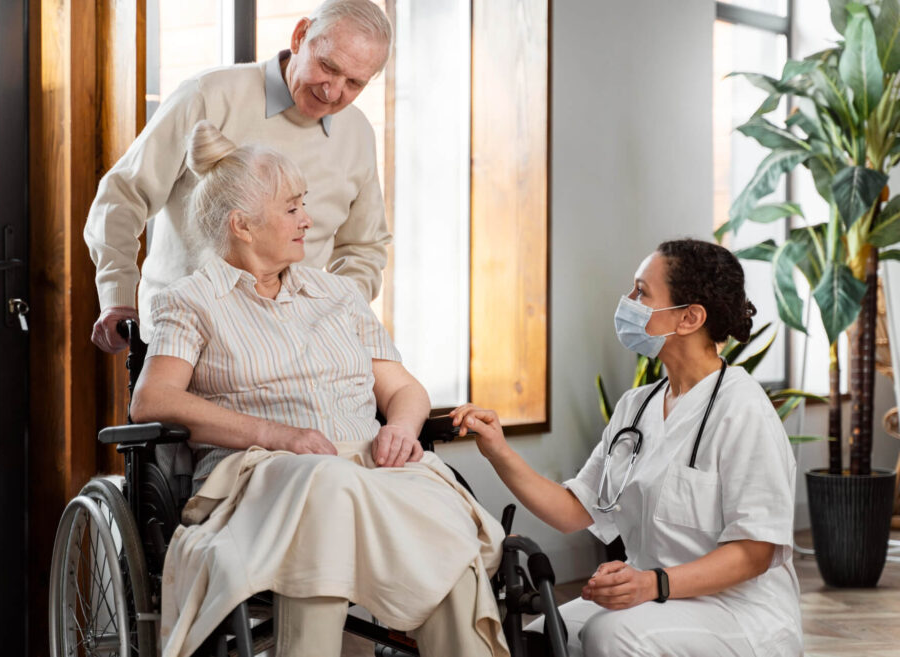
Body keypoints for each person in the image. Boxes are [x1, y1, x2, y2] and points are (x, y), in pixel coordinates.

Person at [132, 122, 507, 657]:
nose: (308, 219)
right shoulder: (192, 301)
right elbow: (153, 400)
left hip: (365, 469)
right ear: (242, 224)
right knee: (328, 481)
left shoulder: (339, 296)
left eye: (304, 203)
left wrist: (401, 428)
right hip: (262, 474)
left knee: (427, 496)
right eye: (292, 208)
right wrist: (279, 435)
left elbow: (403, 389)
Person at [453, 239, 802, 657]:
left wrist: (653, 583)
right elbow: (572, 511)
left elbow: (755, 552)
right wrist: (498, 451)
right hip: (656, 595)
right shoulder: (636, 407)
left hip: (739, 611)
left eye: (641, 292)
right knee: (538, 638)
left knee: (611, 636)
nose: (628, 302)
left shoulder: (744, 410)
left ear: (690, 317)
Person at [85, 0, 393, 351]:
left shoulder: (358, 134)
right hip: (182, 343)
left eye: (354, 83)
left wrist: (333, 317)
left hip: (291, 349)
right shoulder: (208, 95)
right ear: (300, 36)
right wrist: (118, 294)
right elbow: (122, 195)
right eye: (327, 66)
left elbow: (363, 248)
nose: (333, 91)